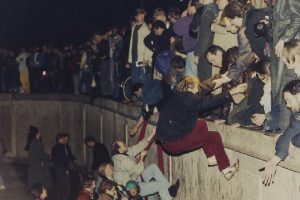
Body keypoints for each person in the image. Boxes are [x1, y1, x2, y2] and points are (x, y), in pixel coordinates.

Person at [156, 76, 247, 180]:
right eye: (196, 86)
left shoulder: (179, 95)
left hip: (169, 138)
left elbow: (202, 92)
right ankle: (226, 169)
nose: (198, 89)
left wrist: (218, 81)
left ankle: (211, 157)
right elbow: (209, 102)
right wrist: (233, 92)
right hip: (173, 143)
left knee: (201, 124)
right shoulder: (188, 99)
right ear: (191, 86)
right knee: (214, 136)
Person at [111, 129, 180, 200]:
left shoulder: (122, 154)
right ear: (120, 150)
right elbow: (138, 171)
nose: (125, 145)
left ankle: (170, 190)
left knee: (153, 168)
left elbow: (137, 147)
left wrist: (152, 135)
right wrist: (142, 158)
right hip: (132, 190)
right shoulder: (122, 161)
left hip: (134, 179)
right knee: (160, 185)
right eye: (123, 145)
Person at [260, 80, 300, 186]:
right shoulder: (297, 113)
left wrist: (294, 141)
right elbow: (291, 131)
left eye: (289, 101)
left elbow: (294, 137)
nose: (288, 105)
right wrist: (273, 161)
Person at [173, 0, 198, 77]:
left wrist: (182, 17)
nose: (187, 8)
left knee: (191, 80)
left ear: (193, 7)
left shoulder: (190, 18)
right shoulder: (203, 16)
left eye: (188, 6)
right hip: (202, 52)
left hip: (193, 53)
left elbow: (177, 30)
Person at [128, 9, 152, 84]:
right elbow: (131, 43)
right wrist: (129, 58)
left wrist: (147, 58)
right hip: (134, 55)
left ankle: (143, 95)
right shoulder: (134, 27)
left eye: (143, 15)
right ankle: (136, 94)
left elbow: (149, 45)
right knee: (134, 76)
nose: (142, 17)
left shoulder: (146, 29)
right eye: (140, 15)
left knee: (142, 77)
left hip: (142, 57)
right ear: (136, 17)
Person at [51, 133, 76, 200]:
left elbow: (68, 156)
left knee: (60, 185)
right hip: (63, 168)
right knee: (65, 186)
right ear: (60, 139)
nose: (65, 140)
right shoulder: (61, 147)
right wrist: (67, 169)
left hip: (58, 168)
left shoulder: (58, 147)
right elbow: (63, 159)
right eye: (63, 138)